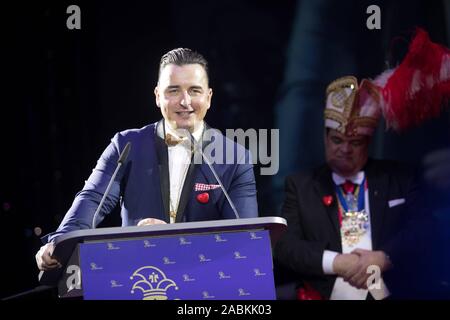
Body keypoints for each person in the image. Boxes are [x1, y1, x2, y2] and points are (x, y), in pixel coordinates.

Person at [36, 48, 258, 271]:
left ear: (208, 97)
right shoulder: (126, 145)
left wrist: (175, 241)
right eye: (173, 91)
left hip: (206, 281)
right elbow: (93, 199)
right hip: (134, 278)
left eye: (194, 90)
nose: (185, 101)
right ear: (157, 96)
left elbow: (244, 238)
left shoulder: (235, 157)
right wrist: (61, 241)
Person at [273, 75, 425, 300]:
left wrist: (384, 257)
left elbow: (423, 228)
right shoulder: (301, 186)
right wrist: (337, 262)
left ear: (368, 143)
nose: (345, 149)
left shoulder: (399, 178)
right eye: (337, 140)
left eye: (355, 143)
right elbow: (286, 247)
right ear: (325, 138)